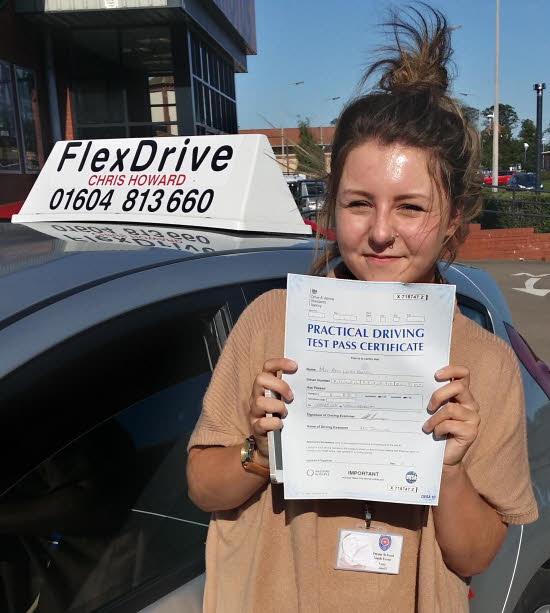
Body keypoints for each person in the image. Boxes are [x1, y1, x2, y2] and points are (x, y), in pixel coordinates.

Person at [186, 7, 538, 612]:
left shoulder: (485, 362)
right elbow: (203, 488)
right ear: (331, 206)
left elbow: (475, 557)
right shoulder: (272, 320)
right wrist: (259, 448)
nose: (380, 232)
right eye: (358, 203)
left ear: (452, 218)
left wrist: (450, 468)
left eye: (409, 207)